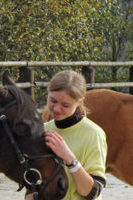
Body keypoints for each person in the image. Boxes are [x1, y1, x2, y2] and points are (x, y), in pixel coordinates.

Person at [41, 70, 107, 200]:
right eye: (52, 100)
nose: (56, 109)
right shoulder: (42, 130)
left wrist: (69, 159)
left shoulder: (94, 135)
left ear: (80, 102)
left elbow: (91, 193)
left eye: (65, 105)